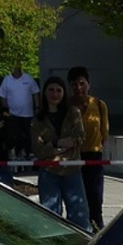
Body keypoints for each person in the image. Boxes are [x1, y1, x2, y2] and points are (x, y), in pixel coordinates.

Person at [31, 76, 89, 230]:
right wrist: (57, 144)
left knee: (80, 216)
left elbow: (80, 137)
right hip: (49, 172)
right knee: (50, 217)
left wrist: (59, 147)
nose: (55, 94)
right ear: (44, 93)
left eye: (58, 90)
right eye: (51, 90)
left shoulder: (73, 112)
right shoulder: (38, 119)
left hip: (72, 170)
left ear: (64, 93)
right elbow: (38, 150)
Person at [68, 66, 109, 230]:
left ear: (88, 84)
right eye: (74, 84)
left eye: (81, 83)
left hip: (93, 157)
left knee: (95, 199)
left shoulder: (99, 105)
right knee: (76, 200)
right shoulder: (66, 105)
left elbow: (104, 133)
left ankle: (98, 231)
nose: (78, 88)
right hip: (72, 158)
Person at [0, 63, 41, 159]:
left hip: (28, 113)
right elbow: (2, 96)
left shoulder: (28, 78)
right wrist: (6, 110)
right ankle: (17, 154)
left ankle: (30, 153)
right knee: (15, 136)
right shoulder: (7, 80)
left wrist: (37, 107)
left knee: (30, 134)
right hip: (13, 114)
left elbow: (35, 92)